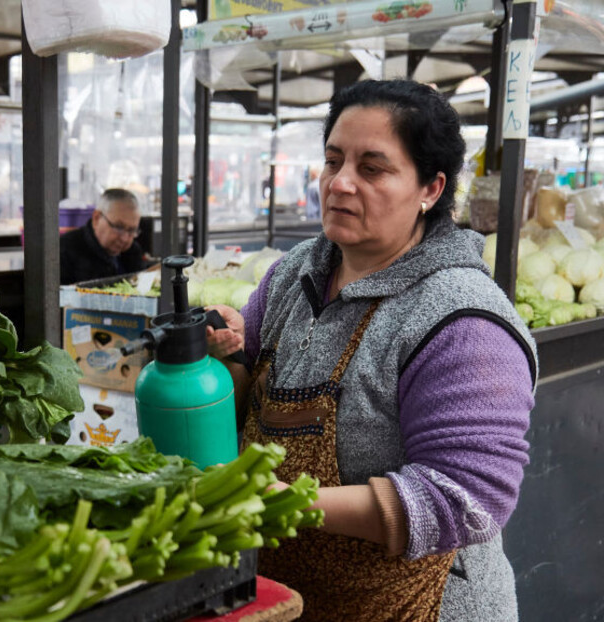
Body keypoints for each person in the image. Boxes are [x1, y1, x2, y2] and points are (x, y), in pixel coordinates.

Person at [206, 80, 535, 621]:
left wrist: (283, 501)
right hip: (294, 599)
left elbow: (467, 500)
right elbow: (248, 403)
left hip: (414, 607)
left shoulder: (463, 319)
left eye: (372, 168)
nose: (339, 184)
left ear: (430, 187)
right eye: (333, 160)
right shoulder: (294, 274)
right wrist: (224, 360)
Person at [60, 188, 150, 285]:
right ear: (97, 218)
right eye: (118, 227)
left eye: (131, 230)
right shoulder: (65, 250)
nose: (124, 238)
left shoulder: (133, 251)